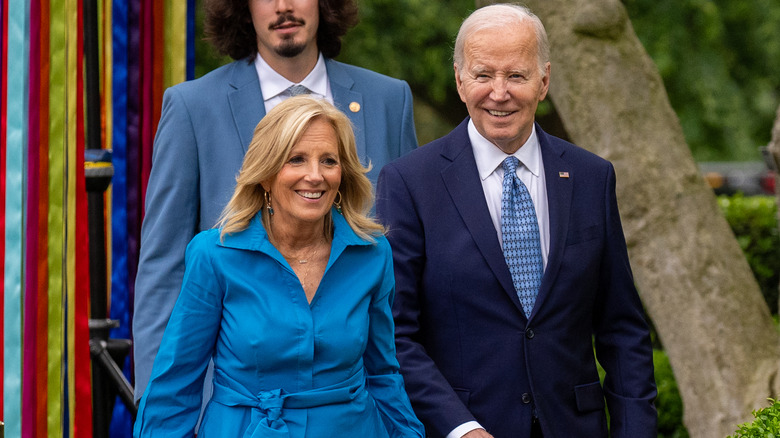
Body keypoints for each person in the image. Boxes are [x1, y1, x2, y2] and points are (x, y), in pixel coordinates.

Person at [376, 4, 657, 438]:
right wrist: (461, 428)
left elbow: (622, 330)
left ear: (544, 81)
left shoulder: (591, 177)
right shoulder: (409, 183)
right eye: (483, 75)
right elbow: (396, 334)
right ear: (460, 80)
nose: (499, 92)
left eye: (517, 76)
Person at [133, 0, 418, 401]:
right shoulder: (192, 107)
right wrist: (160, 403)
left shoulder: (389, 99)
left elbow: (408, 263)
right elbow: (163, 270)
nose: (284, 6)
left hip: (361, 405)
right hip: (234, 407)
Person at [133, 96, 425, 437]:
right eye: (296, 159)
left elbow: (383, 373)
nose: (315, 176)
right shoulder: (215, 254)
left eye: (329, 161)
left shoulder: (373, 255)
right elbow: (176, 381)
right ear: (266, 175)